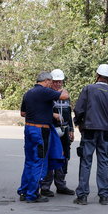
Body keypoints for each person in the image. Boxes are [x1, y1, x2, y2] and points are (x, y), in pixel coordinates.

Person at [73, 64, 108, 206]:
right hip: (105, 132)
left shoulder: (88, 89)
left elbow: (79, 108)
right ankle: (103, 195)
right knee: (104, 162)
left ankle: (82, 196)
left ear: (97, 75)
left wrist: (79, 122)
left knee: (86, 162)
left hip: (89, 130)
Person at [17, 72, 69, 203]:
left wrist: (47, 113)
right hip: (41, 130)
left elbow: (23, 113)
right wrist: (60, 89)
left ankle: (24, 190)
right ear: (46, 81)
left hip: (29, 128)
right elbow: (65, 96)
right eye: (51, 82)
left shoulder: (28, 93)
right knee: (39, 162)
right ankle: (32, 194)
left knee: (29, 161)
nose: (53, 85)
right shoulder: (45, 91)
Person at [40, 69, 75, 197]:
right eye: (56, 82)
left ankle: (61, 184)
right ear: (50, 82)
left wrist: (71, 129)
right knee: (50, 156)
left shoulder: (65, 96)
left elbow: (68, 113)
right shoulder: (46, 95)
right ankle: (45, 186)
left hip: (64, 130)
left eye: (60, 82)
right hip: (51, 130)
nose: (58, 84)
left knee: (64, 156)